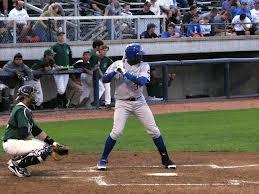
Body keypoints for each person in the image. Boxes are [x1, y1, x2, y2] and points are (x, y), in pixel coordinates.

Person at [96, 43, 176, 170]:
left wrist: (125, 73)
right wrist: (116, 71)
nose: (141, 57)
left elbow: (142, 81)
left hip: (139, 102)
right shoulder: (117, 64)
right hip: (122, 103)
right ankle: (103, 159)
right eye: (138, 56)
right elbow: (104, 79)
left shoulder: (144, 66)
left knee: (154, 131)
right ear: (131, 56)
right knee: (116, 132)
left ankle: (166, 158)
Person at [2, 85, 65, 177]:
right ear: (25, 97)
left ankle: (16, 162)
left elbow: (36, 131)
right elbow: (24, 133)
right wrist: (50, 150)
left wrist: (54, 144)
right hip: (13, 143)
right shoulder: (22, 110)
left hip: (15, 142)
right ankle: (17, 165)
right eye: (32, 95)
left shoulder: (24, 109)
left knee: (44, 146)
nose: (34, 97)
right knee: (44, 149)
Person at [51, 29, 73, 108]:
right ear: (57, 37)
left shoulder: (67, 46)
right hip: (58, 70)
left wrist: (70, 66)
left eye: (63, 35)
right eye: (60, 35)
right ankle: (61, 101)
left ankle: (60, 103)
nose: (62, 37)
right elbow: (50, 58)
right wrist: (54, 65)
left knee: (63, 89)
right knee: (61, 90)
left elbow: (70, 57)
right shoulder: (54, 47)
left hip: (66, 69)